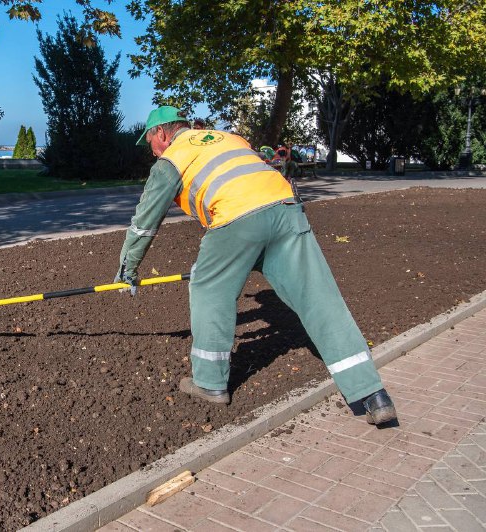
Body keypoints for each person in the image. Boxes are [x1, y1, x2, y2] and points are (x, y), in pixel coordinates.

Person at [114, 106, 397, 426]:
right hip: (287, 210)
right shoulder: (227, 137)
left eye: (149, 142)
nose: (151, 151)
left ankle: (209, 383)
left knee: (208, 289)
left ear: (162, 135)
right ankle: (372, 393)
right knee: (319, 300)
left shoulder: (171, 158)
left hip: (236, 218)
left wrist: (128, 268)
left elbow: (145, 223)